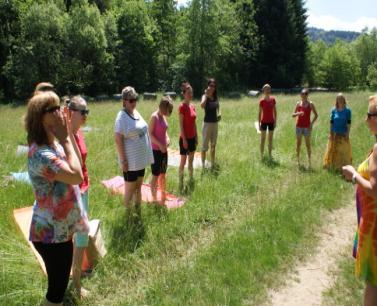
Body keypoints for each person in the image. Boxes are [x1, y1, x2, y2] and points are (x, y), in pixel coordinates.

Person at [26, 91, 89, 306]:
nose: (59, 112)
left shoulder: (54, 144)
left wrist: (67, 136)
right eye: (52, 109)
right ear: (39, 117)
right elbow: (77, 177)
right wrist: (64, 139)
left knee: (57, 291)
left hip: (59, 231)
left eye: (58, 107)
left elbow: (78, 163)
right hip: (51, 236)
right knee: (56, 294)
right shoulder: (41, 154)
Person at [342, 95, 377, 306]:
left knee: (373, 282)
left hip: (374, 228)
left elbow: (374, 189)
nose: (365, 119)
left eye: (369, 115)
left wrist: (354, 174)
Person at [114, 86, 154, 222]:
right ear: (124, 101)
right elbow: (118, 138)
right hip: (130, 163)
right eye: (131, 100)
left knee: (138, 187)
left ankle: (138, 213)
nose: (134, 102)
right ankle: (128, 217)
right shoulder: (121, 117)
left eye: (135, 99)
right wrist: (123, 161)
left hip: (140, 161)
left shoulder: (135, 112)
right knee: (130, 190)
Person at [65, 96, 91, 298]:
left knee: (81, 238)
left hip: (83, 190)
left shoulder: (78, 132)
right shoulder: (63, 137)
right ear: (71, 113)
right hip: (69, 194)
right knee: (67, 238)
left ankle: (76, 283)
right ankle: (69, 283)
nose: (86, 115)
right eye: (83, 112)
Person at [148, 96, 174, 205]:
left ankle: (163, 196)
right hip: (155, 151)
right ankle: (154, 199)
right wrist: (159, 145)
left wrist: (167, 139)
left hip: (164, 151)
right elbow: (150, 134)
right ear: (164, 107)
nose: (170, 112)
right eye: (170, 110)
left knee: (163, 174)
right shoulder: (154, 117)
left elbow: (165, 132)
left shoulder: (163, 117)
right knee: (155, 174)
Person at [323, 93, 352, 170]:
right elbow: (331, 122)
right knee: (332, 150)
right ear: (336, 100)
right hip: (334, 133)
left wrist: (347, 134)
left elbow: (349, 123)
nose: (340, 100)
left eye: (341, 98)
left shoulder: (348, 111)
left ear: (344, 100)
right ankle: (332, 166)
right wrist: (330, 133)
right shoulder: (333, 110)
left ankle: (343, 167)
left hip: (343, 134)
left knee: (342, 151)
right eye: (338, 99)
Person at [178, 83, 197, 193]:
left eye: (191, 93)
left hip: (192, 138)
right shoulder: (182, 107)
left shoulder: (192, 106)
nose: (190, 94)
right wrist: (184, 139)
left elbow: (194, 124)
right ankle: (181, 182)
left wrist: (196, 137)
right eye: (188, 93)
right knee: (183, 162)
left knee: (191, 161)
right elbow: (181, 125)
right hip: (184, 139)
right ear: (184, 94)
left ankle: (190, 178)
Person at [292, 88, 318, 168]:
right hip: (299, 126)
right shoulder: (298, 103)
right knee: (298, 144)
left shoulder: (311, 104)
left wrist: (311, 124)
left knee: (308, 144)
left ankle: (309, 162)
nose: (304, 95)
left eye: (305, 94)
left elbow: (316, 115)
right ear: (300, 95)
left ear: (307, 95)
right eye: (302, 94)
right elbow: (293, 114)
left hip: (307, 127)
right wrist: (298, 113)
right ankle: (298, 161)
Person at [200, 78, 220, 169]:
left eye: (214, 86)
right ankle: (203, 165)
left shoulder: (216, 97)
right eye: (211, 85)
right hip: (207, 124)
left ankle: (212, 164)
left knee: (213, 145)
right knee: (204, 146)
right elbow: (202, 106)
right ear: (208, 86)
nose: (212, 87)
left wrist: (219, 114)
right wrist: (207, 95)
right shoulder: (205, 96)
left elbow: (218, 107)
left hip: (215, 124)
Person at [258, 84, 277, 159]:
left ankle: (270, 155)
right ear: (263, 91)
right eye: (266, 89)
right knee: (263, 139)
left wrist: (275, 121)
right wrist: (259, 124)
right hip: (263, 122)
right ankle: (261, 156)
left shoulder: (273, 99)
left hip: (271, 122)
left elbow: (275, 111)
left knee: (270, 139)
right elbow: (259, 113)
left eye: (269, 89)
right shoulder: (261, 101)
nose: (267, 90)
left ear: (270, 90)